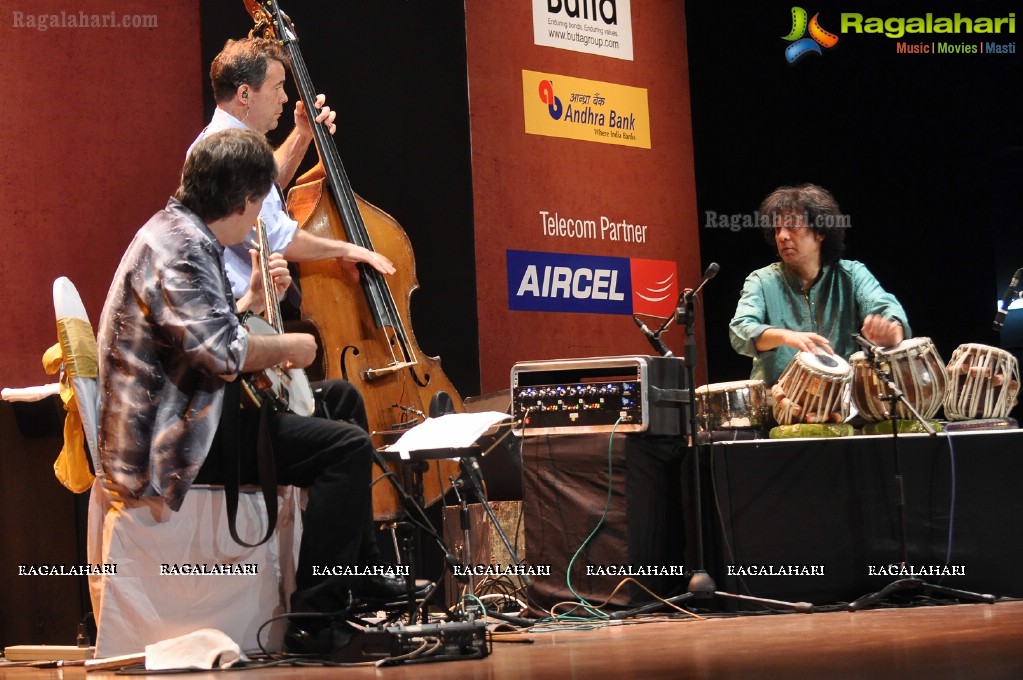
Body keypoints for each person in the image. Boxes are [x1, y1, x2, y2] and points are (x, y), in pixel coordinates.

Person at [97, 129, 406, 654]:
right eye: (261, 205)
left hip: (194, 411)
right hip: (171, 441)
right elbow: (222, 355)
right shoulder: (182, 249)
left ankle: (356, 574)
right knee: (346, 449)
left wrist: (254, 299)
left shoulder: (184, 231)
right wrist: (294, 345)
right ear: (245, 201)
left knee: (343, 402)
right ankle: (316, 619)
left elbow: (200, 334)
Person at [190, 37, 395, 304]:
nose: (285, 98)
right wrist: (348, 249)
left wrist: (303, 133)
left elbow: (265, 183)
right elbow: (277, 236)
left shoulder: (214, 141)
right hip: (241, 313)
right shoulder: (228, 154)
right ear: (244, 95)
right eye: (277, 88)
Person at [729, 183, 910, 389]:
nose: (782, 236)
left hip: (846, 400)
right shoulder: (762, 280)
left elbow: (884, 307)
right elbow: (740, 331)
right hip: (779, 401)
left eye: (792, 226)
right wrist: (786, 336)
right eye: (777, 228)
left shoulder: (852, 275)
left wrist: (893, 331)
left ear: (820, 232)